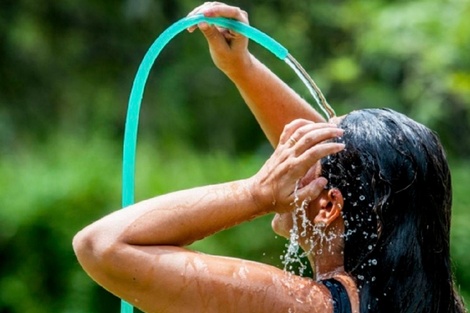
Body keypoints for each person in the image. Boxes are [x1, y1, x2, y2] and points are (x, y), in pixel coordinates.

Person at [73, 3, 466, 313]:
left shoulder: (306, 306)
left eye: (297, 158)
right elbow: (349, 168)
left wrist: (255, 193)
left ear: (328, 206)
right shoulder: (432, 299)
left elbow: (102, 245)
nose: (286, 159)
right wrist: (241, 67)